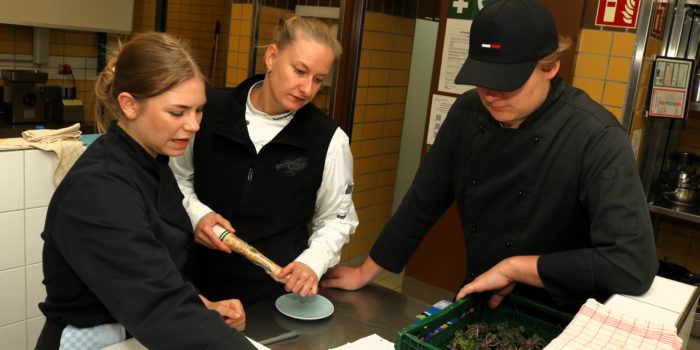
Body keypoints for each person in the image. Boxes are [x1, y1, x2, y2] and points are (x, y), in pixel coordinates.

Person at [321, 0, 657, 311]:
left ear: (550, 66)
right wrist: (366, 272)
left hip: (563, 313)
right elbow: (422, 201)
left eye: (507, 82)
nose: (492, 95)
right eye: (483, 80)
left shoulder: (595, 137)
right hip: (483, 295)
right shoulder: (467, 112)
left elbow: (631, 265)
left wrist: (517, 267)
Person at [36, 32, 257, 350]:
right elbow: (159, 307)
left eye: (199, 110)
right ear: (129, 105)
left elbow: (155, 265)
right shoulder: (99, 189)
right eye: (178, 112)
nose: (194, 125)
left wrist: (204, 305)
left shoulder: (152, 161)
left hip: (131, 331)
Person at [169, 15, 357, 305]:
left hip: (273, 295)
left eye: (318, 79)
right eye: (300, 71)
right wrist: (197, 216)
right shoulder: (208, 110)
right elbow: (176, 178)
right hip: (194, 284)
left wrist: (312, 263)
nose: (307, 89)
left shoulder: (330, 140)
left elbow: (336, 219)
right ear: (272, 56)